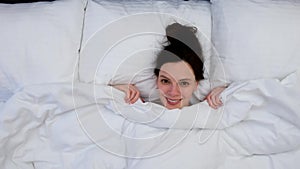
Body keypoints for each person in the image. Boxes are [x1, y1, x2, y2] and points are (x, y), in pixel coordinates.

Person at [113, 22, 226, 109]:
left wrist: (225, 93)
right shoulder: (138, 107)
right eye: (165, 81)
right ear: (157, 80)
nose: (173, 92)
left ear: (196, 84)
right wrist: (117, 90)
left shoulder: (209, 111)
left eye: (184, 83)